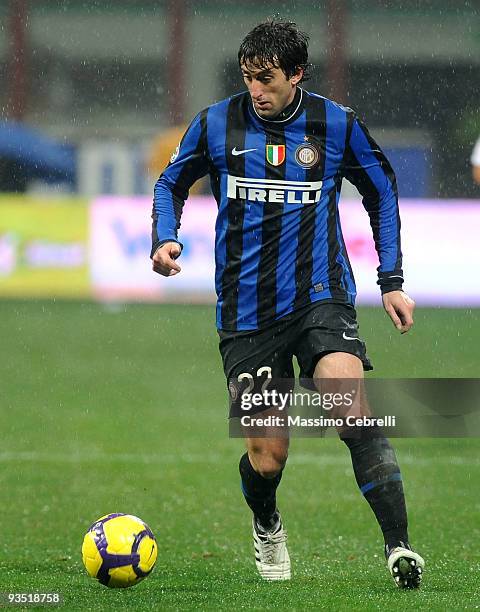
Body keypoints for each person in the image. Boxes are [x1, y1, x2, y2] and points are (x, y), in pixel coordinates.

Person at [150, 20, 425, 588]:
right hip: (246, 315)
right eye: (250, 77)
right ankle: (267, 520)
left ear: (296, 74)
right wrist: (164, 235)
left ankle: (399, 548)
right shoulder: (216, 123)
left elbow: (382, 190)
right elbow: (170, 183)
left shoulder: (335, 124)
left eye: (268, 79)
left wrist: (391, 278)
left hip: (320, 299)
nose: (257, 89)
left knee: (351, 409)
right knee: (268, 456)